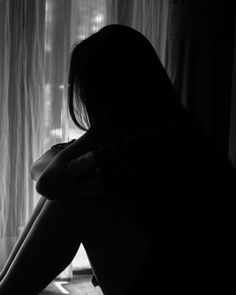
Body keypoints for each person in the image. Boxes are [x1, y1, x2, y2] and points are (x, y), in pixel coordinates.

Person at [0, 24, 234, 295]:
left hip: (180, 282)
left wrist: (98, 130)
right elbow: (42, 169)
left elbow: (48, 180)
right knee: (72, 186)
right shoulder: (168, 130)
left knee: (76, 197)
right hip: (176, 270)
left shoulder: (149, 146)